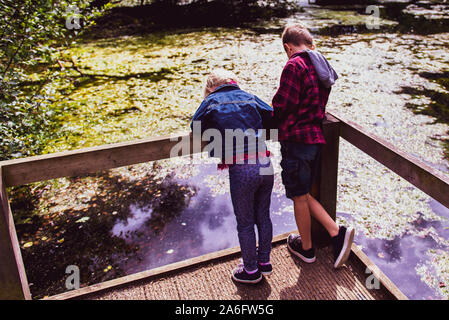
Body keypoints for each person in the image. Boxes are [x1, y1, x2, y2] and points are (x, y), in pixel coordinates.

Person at [272, 24, 355, 268]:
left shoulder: (293, 65)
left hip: (297, 141)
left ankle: (308, 249)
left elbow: (283, 104)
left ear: (288, 47)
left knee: (298, 196)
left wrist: (272, 107)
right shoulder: (320, 64)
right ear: (310, 44)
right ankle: (333, 232)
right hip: (315, 138)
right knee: (303, 193)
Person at [191, 68, 275, 284]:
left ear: (210, 87)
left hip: (242, 167)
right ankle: (264, 262)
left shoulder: (211, 101)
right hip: (265, 162)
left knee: (245, 222)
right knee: (263, 215)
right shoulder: (249, 96)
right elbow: (272, 117)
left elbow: (196, 127)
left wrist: (220, 130)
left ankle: (250, 271)